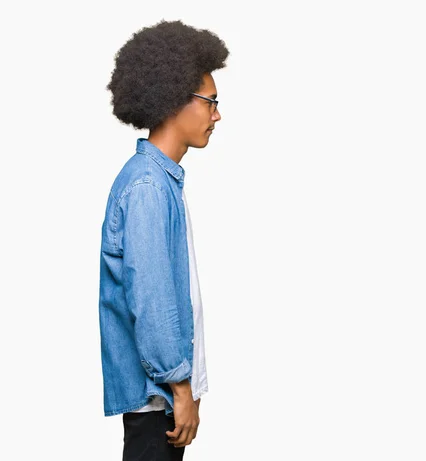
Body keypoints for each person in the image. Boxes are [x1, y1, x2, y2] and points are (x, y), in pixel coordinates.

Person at [98, 19, 229, 460]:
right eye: (210, 101)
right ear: (175, 99)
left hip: (161, 403)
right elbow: (151, 300)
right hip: (158, 404)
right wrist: (181, 388)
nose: (217, 114)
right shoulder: (149, 188)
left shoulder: (158, 182)